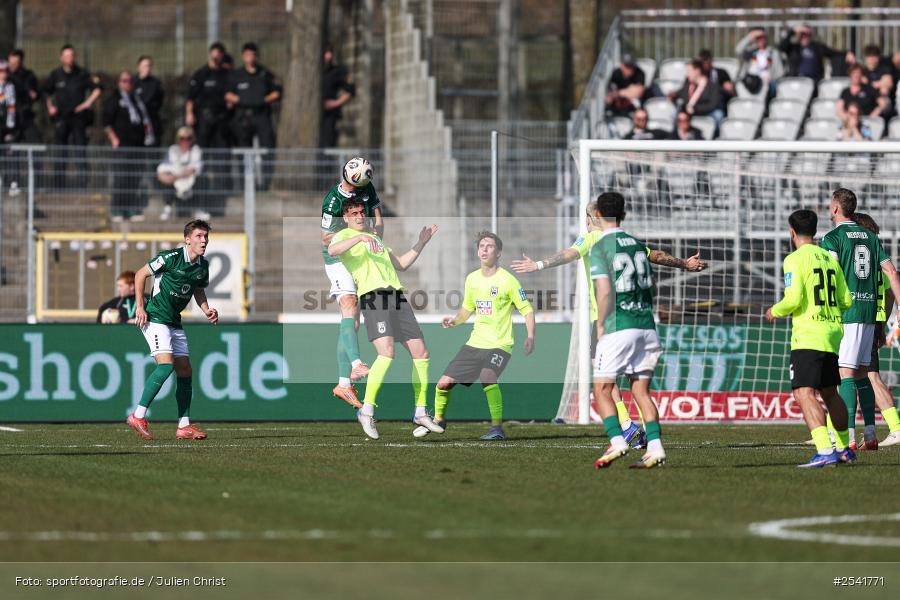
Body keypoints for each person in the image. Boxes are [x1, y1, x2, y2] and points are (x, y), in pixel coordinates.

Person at [511, 200, 706, 447]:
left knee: (603, 380)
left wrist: (538, 264)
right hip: (637, 318)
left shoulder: (591, 238)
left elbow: (568, 255)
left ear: (593, 218)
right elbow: (656, 255)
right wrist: (684, 263)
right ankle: (646, 434)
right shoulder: (628, 241)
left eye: (586, 217)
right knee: (638, 384)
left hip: (605, 319)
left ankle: (626, 427)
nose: (585, 221)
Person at [328, 199, 444, 440]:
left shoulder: (375, 238)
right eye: (355, 213)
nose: (360, 216)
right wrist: (360, 238)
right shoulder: (344, 236)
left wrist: (421, 243)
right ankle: (367, 412)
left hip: (396, 296)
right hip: (373, 297)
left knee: (422, 353)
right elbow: (332, 251)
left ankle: (421, 412)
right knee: (386, 353)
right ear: (346, 217)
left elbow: (400, 264)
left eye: (362, 212)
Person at [416, 232, 535, 441]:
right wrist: (455, 321)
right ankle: (439, 420)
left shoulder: (508, 280)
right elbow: (466, 309)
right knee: (443, 384)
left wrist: (530, 336)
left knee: (488, 375)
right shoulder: (472, 279)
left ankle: (497, 428)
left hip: (500, 344)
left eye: (489, 246)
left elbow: (527, 309)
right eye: (481, 246)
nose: (485, 249)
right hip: (475, 343)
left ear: (498, 252)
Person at [764, 209, 854, 467]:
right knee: (830, 392)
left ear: (791, 232)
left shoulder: (794, 259)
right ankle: (845, 447)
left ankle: (825, 450)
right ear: (814, 231)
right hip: (833, 331)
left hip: (809, 335)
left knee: (804, 393)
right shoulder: (829, 258)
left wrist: (774, 311)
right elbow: (846, 300)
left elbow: (793, 300)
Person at [588, 192, 666, 469]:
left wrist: (600, 324)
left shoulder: (600, 247)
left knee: (602, 388)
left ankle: (618, 441)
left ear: (597, 214)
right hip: (646, 326)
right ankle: (655, 447)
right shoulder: (637, 245)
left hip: (619, 326)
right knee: (641, 391)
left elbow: (605, 292)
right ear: (624, 214)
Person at [819, 188, 900, 451]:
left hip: (847, 312)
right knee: (864, 373)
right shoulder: (871, 237)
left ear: (835, 209)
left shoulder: (832, 238)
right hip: (869, 312)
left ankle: (848, 439)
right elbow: (891, 272)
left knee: (845, 375)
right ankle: (870, 433)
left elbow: (830, 276)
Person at [128, 219, 217, 442]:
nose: (203, 240)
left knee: (185, 370)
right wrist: (140, 306)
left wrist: (206, 309)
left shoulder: (202, 266)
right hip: (155, 317)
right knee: (166, 365)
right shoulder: (170, 258)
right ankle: (138, 415)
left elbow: (198, 290)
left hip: (174, 321)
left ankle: (184, 425)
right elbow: (140, 275)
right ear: (187, 239)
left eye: (205, 236)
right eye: (199, 236)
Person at [320, 157, 383, 409]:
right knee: (349, 302)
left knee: (352, 322)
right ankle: (357, 365)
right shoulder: (332, 200)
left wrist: (376, 233)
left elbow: (378, 215)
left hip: (361, 256)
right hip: (338, 258)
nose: (360, 191)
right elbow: (326, 239)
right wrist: (357, 237)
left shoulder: (367, 188)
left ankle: (343, 385)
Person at [847, 212, 900, 448]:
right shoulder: (874, 263)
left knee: (866, 376)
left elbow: (892, 285)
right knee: (855, 376)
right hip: (871, 323)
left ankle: (896, 428)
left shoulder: (869, 266)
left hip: (865, 322)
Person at [225, 42, 281, 191]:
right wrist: (242, 101)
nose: (251, 57)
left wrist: (263, 100)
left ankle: (265, 185)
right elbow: (228, 94)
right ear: (243, 56)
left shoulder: (265, 74)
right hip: (243, 116)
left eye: (253, 54)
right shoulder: (236, 75)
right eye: (248, 54)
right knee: (245, 152)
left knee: (267, 150)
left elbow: (276, 92)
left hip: (262, 115)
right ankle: (247, 186)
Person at [44, 45, 101, 187]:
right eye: (67, 56)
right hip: (61, 117)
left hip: (78, 117)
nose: (70, 59)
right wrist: (50, 107)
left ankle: (83, 184)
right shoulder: (56, 75)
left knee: (80, 149)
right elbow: (46, 92)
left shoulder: (82, 74)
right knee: (60, 151)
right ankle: (58, 184)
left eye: (72, 56)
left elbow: (97, 90)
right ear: (61, 58)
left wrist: (87, 104)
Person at [186, 42, 231, 216]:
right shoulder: (201, 74)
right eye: (214, 53)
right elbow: (190, 98)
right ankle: (200, 190)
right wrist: (190, 114)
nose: (216, 57)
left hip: (221, 120)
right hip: (204, 120)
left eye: (219, 54)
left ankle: (220, 192)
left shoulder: (226, 75)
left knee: (220, 158)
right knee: (201, 157)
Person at [103, 71, 153, 221]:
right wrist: (113, 139)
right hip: (122, 147)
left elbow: (144, 120)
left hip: (137, 146)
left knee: (134, 179)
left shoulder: (137, 99)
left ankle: (131, 208)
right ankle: (117, 209)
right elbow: (107, 123)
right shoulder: (114, 99)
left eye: (130, 81)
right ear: (119, 82)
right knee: (121, 179)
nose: (127, 83)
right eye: (124, 81)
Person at [157, 126, 204, 221]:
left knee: (201, 180)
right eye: (182, 138)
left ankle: (198, 210)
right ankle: (168, 209)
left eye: (188, 138)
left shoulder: (196, 150)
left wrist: (176, 176)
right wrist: (162, 176)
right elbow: (162, 167)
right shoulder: (172, 149)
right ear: (178, 139)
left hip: (190, 182)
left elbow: (196, 169)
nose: (185, 141)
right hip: (175, 182)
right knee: (164, 180)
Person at [778, 24, 854, 82]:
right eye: (802, 34)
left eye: (807, 34)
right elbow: (781, 47)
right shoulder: (793, 48)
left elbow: (833, 53)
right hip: (797, 79)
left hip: (814, 80)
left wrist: (847, 53)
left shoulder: (818, 47)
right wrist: (793, 31)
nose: (805, 37)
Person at [321, 43, 355, 148]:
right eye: (326, 53)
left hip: (329, 115)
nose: (328, 56)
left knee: (328, 144)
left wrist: (336, 103)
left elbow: (351, 91)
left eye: (330, 53)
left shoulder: (336, 71)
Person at [670, 59, 722, 126]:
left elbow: (712, 105)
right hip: (690, 112)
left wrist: (695, 108)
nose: (687, 74)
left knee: (718, 114)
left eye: (689, 71)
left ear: (697, 71)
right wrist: (672, 96)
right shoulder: (688, 85)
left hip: (706, 112)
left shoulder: (712, 86)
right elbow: (679, 95)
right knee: (675, 114)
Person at [735, 27, 782, 98]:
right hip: (750, 80)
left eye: (762, 37)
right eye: (758, 37)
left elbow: (780, 72)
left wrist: (772, 78)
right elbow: (738, 50)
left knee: (773, 86)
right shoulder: (749, 51)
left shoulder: (773, 52)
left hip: (767, 82)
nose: (761, 40)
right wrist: (750, 37)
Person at [7, 49, 40, 144]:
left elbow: (36, 93)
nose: (12, 65)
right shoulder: (6, 77)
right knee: (10, 148)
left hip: (26, 117)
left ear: (20, 62)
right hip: (10, 118)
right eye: (10, 62)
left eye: (15, 63)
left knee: (35, 145)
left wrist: (34, 95)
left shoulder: (29, 76)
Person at [134, 55, 163, 147]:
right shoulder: (133, 83)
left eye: (149, 66)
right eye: (144, 66)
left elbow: (159, 101)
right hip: (137, 124)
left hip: (152, 122)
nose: (147, 68)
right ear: (138, 67)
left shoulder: (155, 84)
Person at [0, 61, 16, 143]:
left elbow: (11, 105)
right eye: (1, 71)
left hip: (4, 121)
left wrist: (10, 126)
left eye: (6, 71)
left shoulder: (10, 86)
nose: (3, 73)